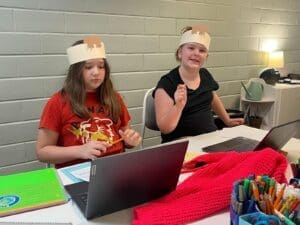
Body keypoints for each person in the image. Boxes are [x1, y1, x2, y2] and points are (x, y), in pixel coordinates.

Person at [36, 36, 142, 168]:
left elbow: (125, 136)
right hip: (78, 170)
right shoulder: (58, 102)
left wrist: (130, 141)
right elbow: (42, 152)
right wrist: (80, 151)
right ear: (76, 71)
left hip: (116, 167)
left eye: (101, 66)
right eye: (88, 67)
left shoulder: (114, 98)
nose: (96, 72)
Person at [154, 25, 244, 143]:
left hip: (211, 139)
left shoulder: (205, 74)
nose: (196, 53)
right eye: (191, 48)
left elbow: (212, 98)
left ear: (206, 56)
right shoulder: (167, 83)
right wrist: (178, 106)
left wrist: (227, 120)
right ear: (180, 53)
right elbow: (165, 129)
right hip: (181, 144)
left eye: (202, 50)